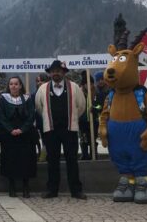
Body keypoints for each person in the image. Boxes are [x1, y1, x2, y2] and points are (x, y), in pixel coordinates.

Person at [35, 60, 87, 199]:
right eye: (53, 71)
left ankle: (76, 190)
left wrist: (73, 118)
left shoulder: (74, 87)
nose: (56, 73)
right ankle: (52, 190)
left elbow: (81, 106)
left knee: (72, 160)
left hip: (70, 129)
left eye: (58, 71)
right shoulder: (43, 89)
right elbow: (39, 108)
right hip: (51, 130)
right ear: (50, 73)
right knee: (52, 160)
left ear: (64, 72)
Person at [0, 76, 37, 198]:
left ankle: (25, 187)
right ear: (9, 86)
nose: (13, 86)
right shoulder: (3, 99)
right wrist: (11, 130)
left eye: (16, 84)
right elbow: (1, 117)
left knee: (26, 161)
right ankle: (11, 187)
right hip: (9, 136)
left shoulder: (27, 99)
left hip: (25, 135)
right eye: (11, 84)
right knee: (10, 161)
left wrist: (22, 129)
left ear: (20, 86)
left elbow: (31, 116)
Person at [79, 72, 99, 160]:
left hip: (93, 120)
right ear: (84, 85)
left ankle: (93, 154)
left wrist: (95, 108)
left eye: (91, 83)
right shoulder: (80, 93)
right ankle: (84, 154)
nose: (89, 86)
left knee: (92, 139)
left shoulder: (96, 93)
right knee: (84, 138)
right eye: (87, 84)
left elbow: (100, 105)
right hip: (82, 121)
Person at [34, 73, 49, 162]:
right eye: (37, 81)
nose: (39, 83)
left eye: (41, 81)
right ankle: (42, 157)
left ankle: (44, 157)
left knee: (48, 142)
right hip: (39, 123)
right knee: (43, 141)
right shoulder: (34, 94)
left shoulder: (50, 93)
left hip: (49, 123)